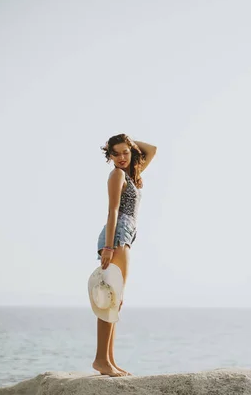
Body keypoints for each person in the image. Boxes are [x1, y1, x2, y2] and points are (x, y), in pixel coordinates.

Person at [91, 133, 157, 377]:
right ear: (109, 156)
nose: (121, 157)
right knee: (109, 298)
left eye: (125, 152)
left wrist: (129, 141)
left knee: (115, 300)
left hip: (125, 236)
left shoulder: (132, 175)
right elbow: (113, 211)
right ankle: (101, 360)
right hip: (116, 237)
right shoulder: (117, 175)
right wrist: (109, 247)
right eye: (115, 153)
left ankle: (108, 360)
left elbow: (152, 149)